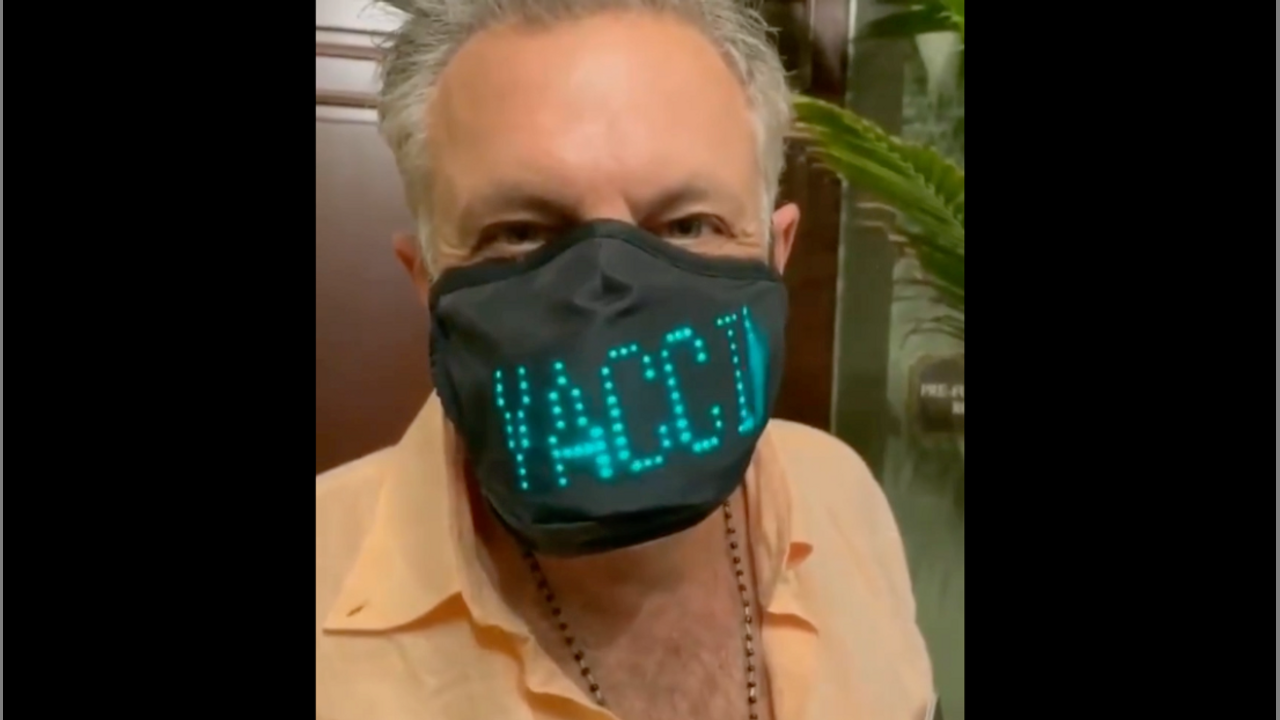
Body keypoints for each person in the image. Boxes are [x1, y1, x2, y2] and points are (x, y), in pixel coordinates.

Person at [315, 1, 937, 718]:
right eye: (521, 232)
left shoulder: (840, 494)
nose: (606, 289)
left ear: (777, 251)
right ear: (425, 280)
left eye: (688, 224)